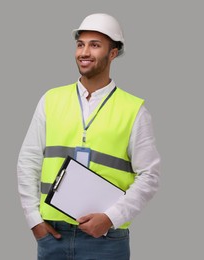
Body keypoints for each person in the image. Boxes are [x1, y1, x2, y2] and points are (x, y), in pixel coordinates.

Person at [17, 13, 161, 260]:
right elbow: (28, 160)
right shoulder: (50, 100)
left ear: (113, 53)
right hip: (53, 235)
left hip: (106, 240)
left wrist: (110, 218)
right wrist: (34, 221)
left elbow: (150, 176)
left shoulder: (134, 110)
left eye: (95, 45)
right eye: (80, 44)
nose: (84, 52)